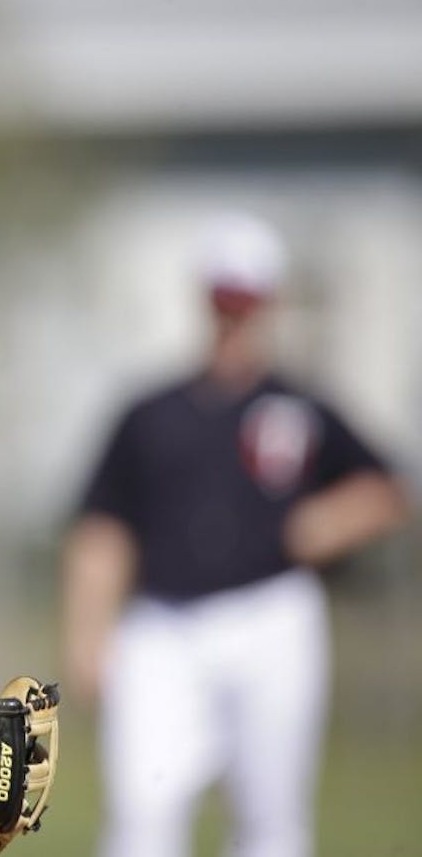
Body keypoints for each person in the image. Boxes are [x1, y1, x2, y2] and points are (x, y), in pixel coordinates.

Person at [61, 212, 411, 857]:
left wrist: (327, 523)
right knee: (142, 811)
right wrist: (88, 634)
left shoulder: (301, 407)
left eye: (246, 305)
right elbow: (102, 528)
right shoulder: (149, 413)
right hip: (161, 627)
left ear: (269, 306)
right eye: (225, 304)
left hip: (272, 617)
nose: (235, 321)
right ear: (205, 303)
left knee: (270, 821)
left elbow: (386, 490)